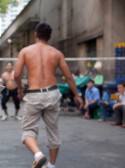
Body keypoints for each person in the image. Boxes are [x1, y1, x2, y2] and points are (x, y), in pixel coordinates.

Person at [14, 23, 82, 168]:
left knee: (28, 131)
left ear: (35, 35)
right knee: (53, 131)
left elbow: (16, 74)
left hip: (33, 94)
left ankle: (38, 156)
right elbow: (69, 76)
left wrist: (20, 90)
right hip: (52, 93)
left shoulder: (25, 51)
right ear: (50, 37)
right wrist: (77, 95)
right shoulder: (57, 53)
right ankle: (51, 165)